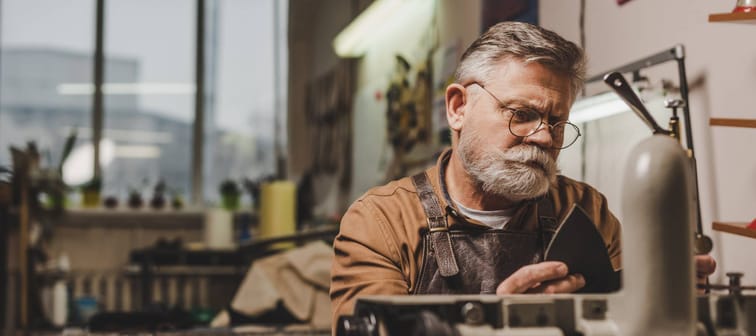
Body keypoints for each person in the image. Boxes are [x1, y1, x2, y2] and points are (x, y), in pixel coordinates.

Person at [330, 21, 716, 325]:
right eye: (523, 114)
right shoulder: (381, 223)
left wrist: (665, 300)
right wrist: (505, 323)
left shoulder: (583, 210)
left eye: (557, 120)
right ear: (458, 108)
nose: (545, 137)